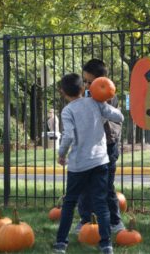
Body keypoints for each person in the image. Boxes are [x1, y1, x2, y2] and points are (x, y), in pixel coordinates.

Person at [53, 73, 124, 254]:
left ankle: (61, 243)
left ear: (62, 92)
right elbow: (119, 117)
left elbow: (68, 135)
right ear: (83, 88)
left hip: (79, 165)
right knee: (100, 202)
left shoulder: (67, 111)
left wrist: (61, 154)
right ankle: (106, 244)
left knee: (69, 203)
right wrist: (104, 102)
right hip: (100, 162)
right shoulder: (96, 103)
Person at [75, 58, 125, 234]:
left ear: (102, 80)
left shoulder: (108, 95)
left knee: (105, 185)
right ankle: (86, 220)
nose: (87, 85)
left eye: (91, 81)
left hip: (108, 147)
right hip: (89, 147)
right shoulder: (87, 96)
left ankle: (115, 221)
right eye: (85, 81)